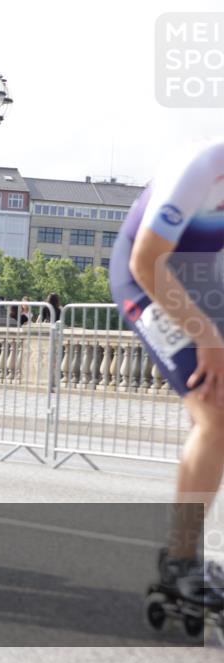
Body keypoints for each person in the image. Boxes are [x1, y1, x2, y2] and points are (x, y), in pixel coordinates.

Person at [109, 139, 224, 613]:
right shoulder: (201, 166)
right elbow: (146, 261)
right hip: (148, 278)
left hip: (205, 279)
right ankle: (180, 561)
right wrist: (207, 336)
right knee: (216, 412)